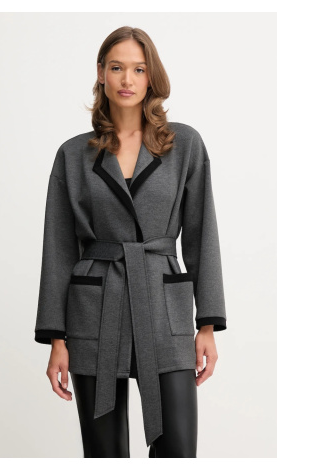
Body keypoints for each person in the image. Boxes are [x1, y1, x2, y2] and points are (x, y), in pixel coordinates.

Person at [34, 26, 227, 458]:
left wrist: (207, 325)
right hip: (94, 313)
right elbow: (58, 248)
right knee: (104, 454)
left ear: (151, 76)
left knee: (177, 451)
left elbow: (202, 235)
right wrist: (57, 339)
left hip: (164, 308)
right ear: (101, 72)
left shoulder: (184, 144)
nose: (127, 79)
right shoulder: (73, 155)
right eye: (117, 67)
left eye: (139, 69)